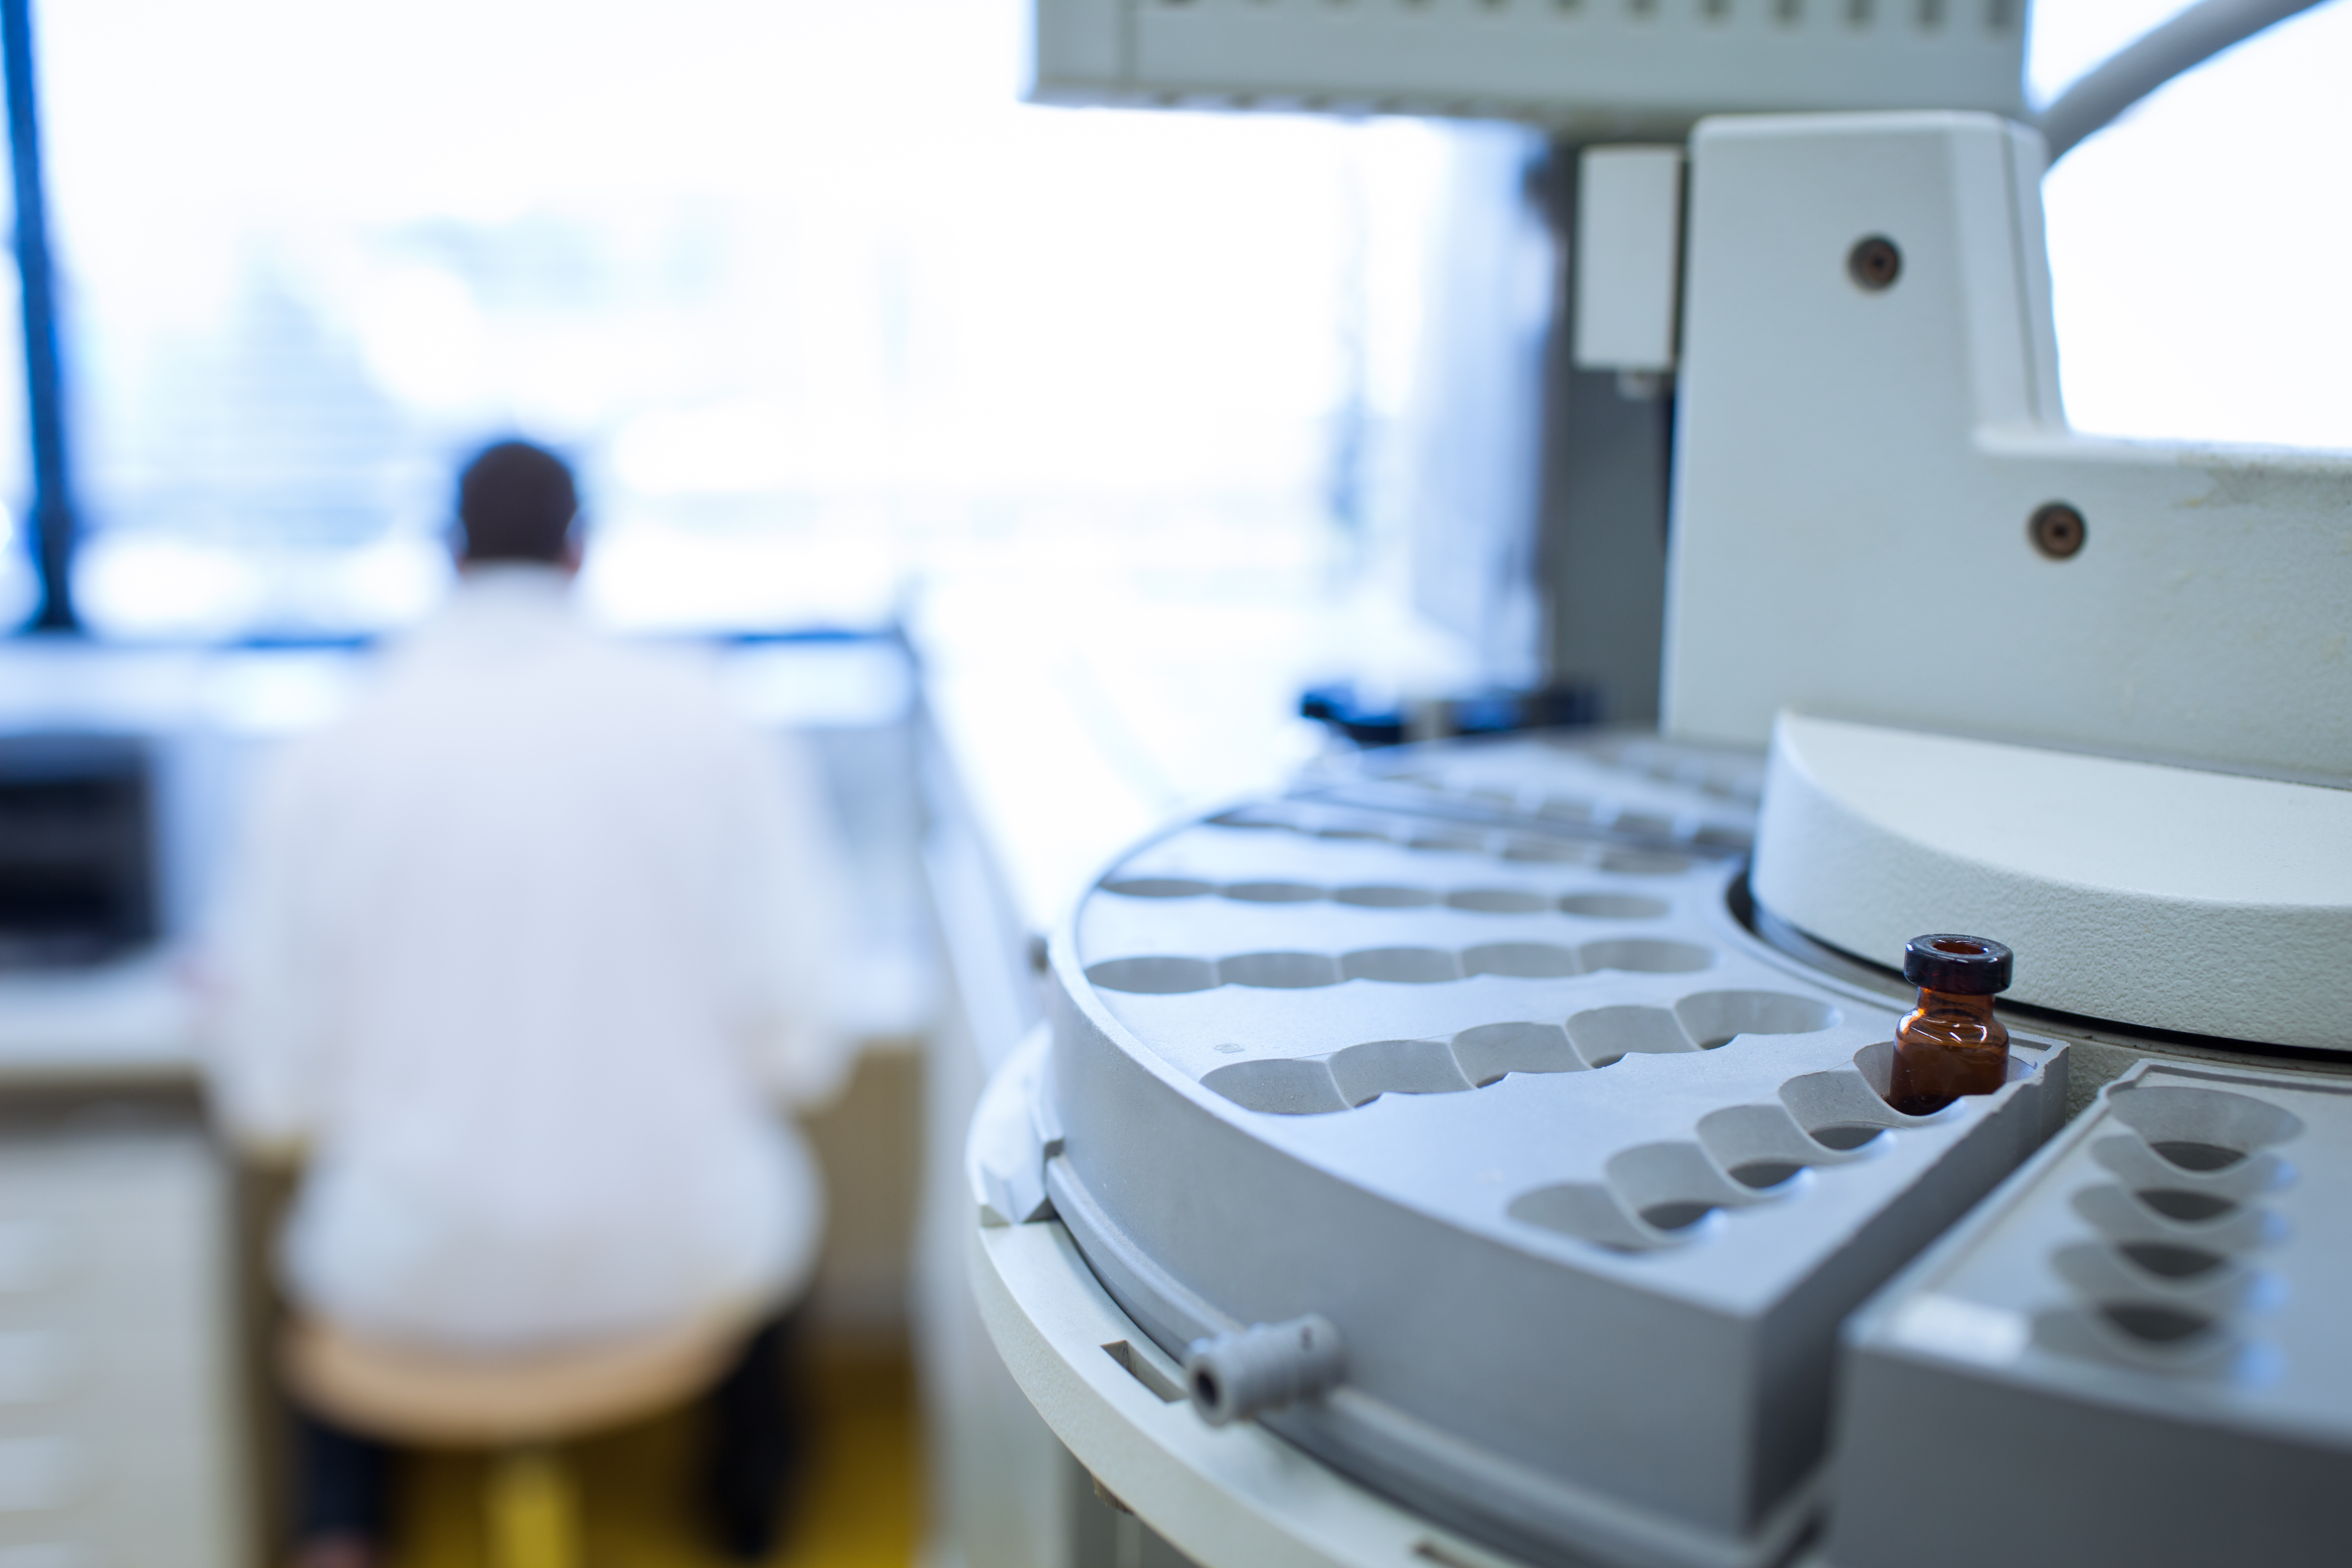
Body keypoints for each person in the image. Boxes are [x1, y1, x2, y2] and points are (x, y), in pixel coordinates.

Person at [204, 440, 851, 1566]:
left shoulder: (326, 754)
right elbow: (801, 1049)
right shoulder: (713, 727)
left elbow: (268, 1100)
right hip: (677, 1267)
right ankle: (750, 1528)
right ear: (581, 551)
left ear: (447, 557)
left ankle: (342, 1532)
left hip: (408, 1280)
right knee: (764, 1240)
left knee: (331, 1272)